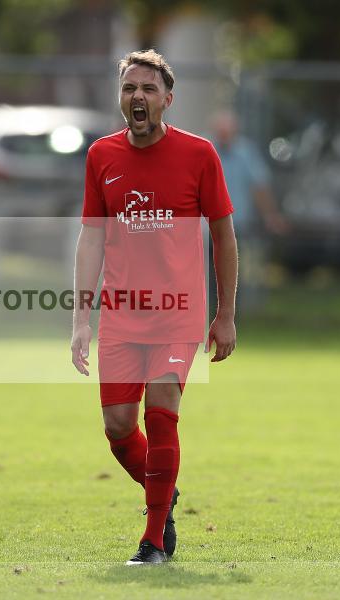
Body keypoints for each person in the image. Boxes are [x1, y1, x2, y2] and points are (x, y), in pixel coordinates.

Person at [70, 50, 238, 565]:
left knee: (162, 411)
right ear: (120, 98)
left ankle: (153, 540)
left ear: (167, 98)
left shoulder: (199, 154)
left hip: (179, 311)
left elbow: (224, 236)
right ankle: (163, 494)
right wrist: (81, 318)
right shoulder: (101, 156)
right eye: (129, 89)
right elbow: (91, 240)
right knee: (119, 427)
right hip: (122, 314)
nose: (137, 97)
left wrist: (225, 313)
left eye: (147, 89)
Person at [210, 109, 288, 313]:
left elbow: (259, 187)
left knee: (232, 272)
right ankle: (208, 313)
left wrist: (271, 216)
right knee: (208, 273)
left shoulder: (246, 152)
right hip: (207, 226)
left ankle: (234, 314)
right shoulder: (206, 150)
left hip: (236, 225)